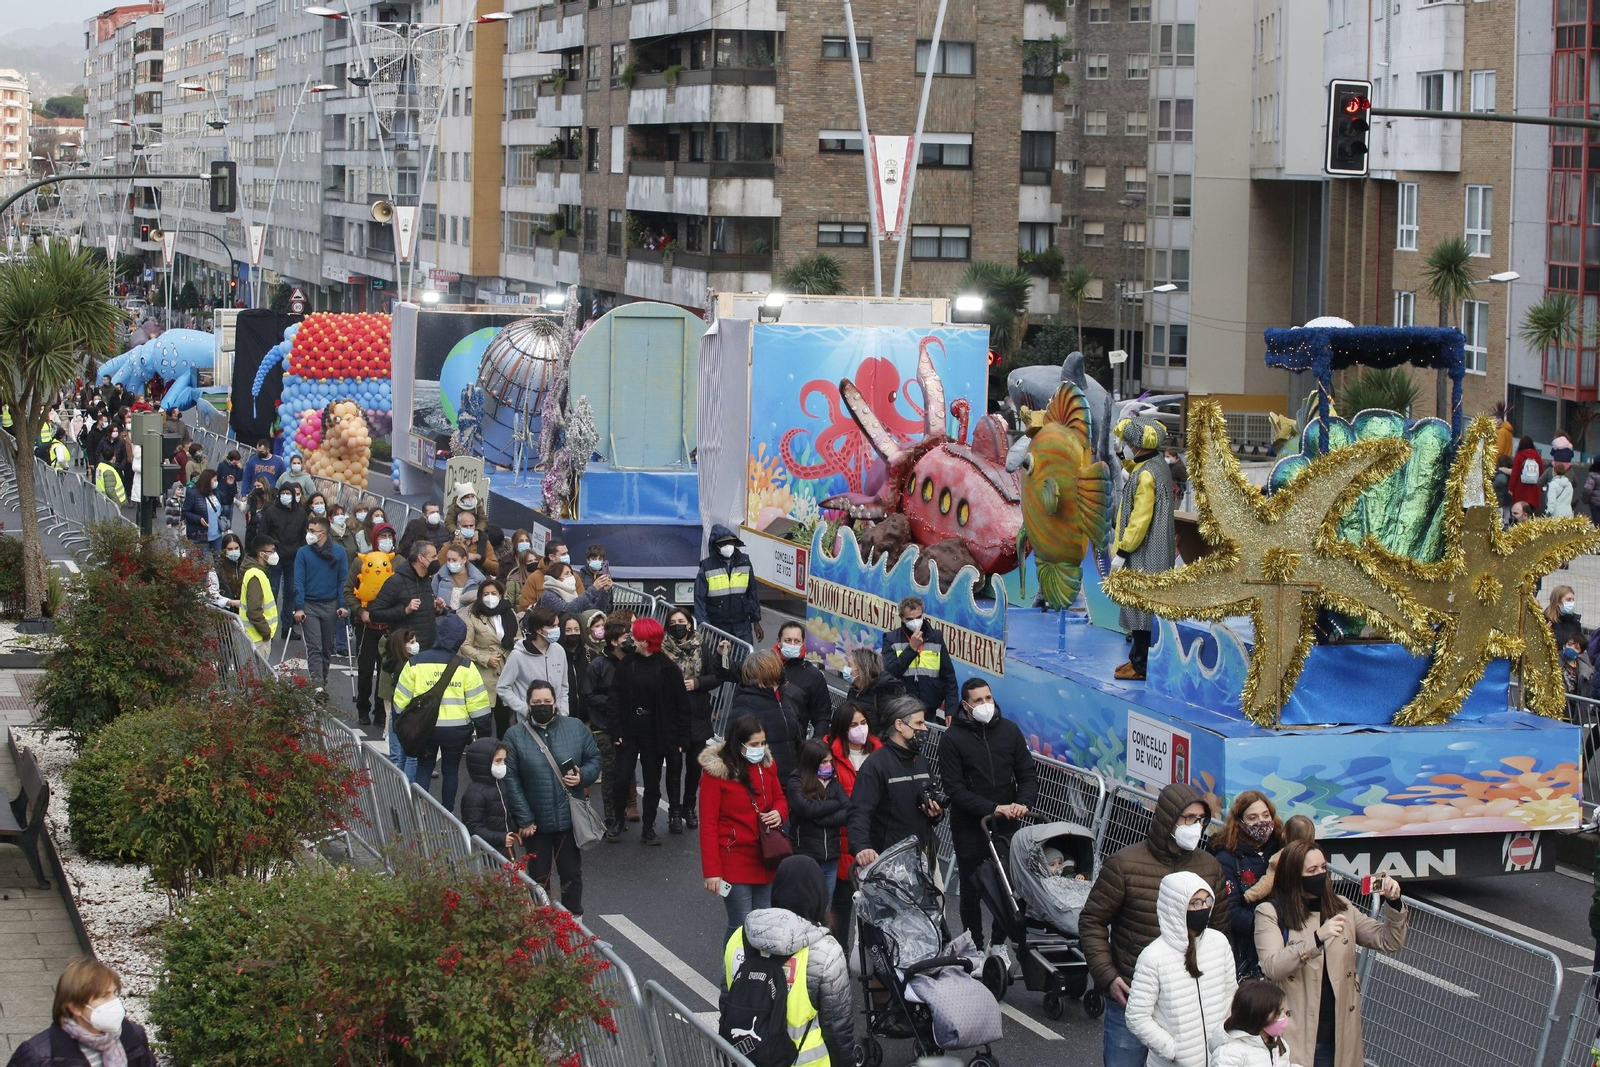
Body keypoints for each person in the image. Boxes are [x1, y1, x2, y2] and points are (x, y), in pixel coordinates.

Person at [1080, 782, 1229, 1067]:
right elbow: (1092, 921)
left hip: (1186, 1003)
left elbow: (1220, 931)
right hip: (1133, 996)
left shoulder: (1210, 868)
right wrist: (1107, 976)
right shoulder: (1124, 865)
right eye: (1189, 819)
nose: (1196, 827)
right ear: (1168, 819)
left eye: (1201, 820)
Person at [1255, 839, 1408, 1067]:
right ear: (1293, 875)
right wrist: (1316, 939)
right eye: (1312, 870)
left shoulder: (1342, 907)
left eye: (1324, 868)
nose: (1321, 875)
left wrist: (1394, 903)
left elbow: (1389, 940)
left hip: (1340, 1034)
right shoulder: (1270, 912)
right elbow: (1271, 966)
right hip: (1298, 1034)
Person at [723, 854, 854, 1067]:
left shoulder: (739, 937)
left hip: (746, 1059)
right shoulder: (825, 951)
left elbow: (727, 1003)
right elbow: (838, 1030)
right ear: (818, 897)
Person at [942, 677, 1038, 962]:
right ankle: (973, 945)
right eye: (978, 701)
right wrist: (994, 807)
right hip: (971, 828)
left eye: (988, 698)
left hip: (1007, 826)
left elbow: (1027, 775)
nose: (985, 704)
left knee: (1010, 886)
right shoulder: (952, 739)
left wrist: (1022, 803)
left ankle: (998, 943)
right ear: (965, 705)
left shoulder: (1009, 731)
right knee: (972, 889)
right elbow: (955, 790)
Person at [501, 678, 603, 916]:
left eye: (547, 701)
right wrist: (525, 819)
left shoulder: (576, 727)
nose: (543, 706)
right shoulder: (514, 736)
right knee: (538, 877)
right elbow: (511, 780)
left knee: (571, 873)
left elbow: (594, 759)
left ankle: (574, 922)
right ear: (528, 704)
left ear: (556, 703)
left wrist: (582, 777)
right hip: (536, 824)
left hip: (569, 819)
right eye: (537, 702)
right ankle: (542, 923)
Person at [1125, 872, 1238, 1067]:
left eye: (1207, 901)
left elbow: (1231, 992)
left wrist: (1225, 1036)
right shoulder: (1153, 957)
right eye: (1195, 903)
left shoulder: (1219, 942)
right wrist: (1173, 1050)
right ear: (1176, 907)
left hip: (1218, 1059)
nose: (1203, 908)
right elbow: (1137, 1017)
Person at [700, 713, 790, 943]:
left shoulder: (767, 766)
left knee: (763, 924)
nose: (760, 749)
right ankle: (730, 978)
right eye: (753, 745)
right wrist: (712, 871)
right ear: (738, 745)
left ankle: (754, 976)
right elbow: (708, 825)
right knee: (740, 926)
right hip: (734, 859)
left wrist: (778, 813)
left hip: (766, 856)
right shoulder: (715, 775)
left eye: (762, 743)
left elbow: (780, 798)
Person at [395, 613, 492, 808]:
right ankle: (447, 813)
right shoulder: (466, 666)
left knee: (424, 768)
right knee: (450, 771)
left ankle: (419, 812)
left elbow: (400, 703)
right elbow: (479, 707)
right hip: (456, 731)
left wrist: (401, 728)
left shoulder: (416, 662)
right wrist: (484, 736)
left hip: (424, 729)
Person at [612, 617, 692, 841]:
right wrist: (616, 729)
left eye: (634, 636)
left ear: (646, 641)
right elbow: (615, 697)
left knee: (652, 783)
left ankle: (649, 827)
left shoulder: (668, 669)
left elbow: (682, 707)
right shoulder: (627, 664)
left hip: (656, 732)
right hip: (629, 729)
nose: (631, 639)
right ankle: (617, 819)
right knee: (621, 777)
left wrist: (681, 739)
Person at [1113, 416, 1178, 681]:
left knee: (1141, 607)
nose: (1126, 445)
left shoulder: (1146, 474)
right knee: (1148, 606)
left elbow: (1140, 518)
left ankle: (1140, 665)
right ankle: (1139, 660)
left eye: (1128, 442)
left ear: (1138, 443)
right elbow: (1138, 467)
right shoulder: (1156, 464)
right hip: (1156, 549)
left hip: (1145, 551)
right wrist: (1122, 458)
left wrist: (1123, 551)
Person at [845, 695, 944, 868]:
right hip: (890, 863)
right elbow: (859, 811)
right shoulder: (876, 765)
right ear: (899, 725)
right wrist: (862, 847)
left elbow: (929, 801)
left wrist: (936, 813)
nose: (925, 729)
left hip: (924, 858)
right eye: (919, 724)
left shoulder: (920, 760)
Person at [6, 957, 155, 1067]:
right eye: (104, 996)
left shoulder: (133, 1036)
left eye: (114, 993)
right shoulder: (38, 1056)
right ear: (75, 1007)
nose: (114, 1002)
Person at [663, 606, 730, 827]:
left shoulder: (701, 647)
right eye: (672, 623)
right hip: (671, 715)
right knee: (673, 765)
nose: (677, 625)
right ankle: (673, 811)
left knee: (694, 765)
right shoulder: (662, 650)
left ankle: (688, 806)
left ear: (689, 624)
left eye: (681, 621)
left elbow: (716, 677)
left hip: (698, 715)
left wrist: (697, 683)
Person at [1211, 790, 1284, 978]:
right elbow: (1230, 910)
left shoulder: (1282, 849)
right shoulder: (1226, 858)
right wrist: (1266, 927)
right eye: (1253, 817)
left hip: (1285, 944)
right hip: (1247, 953)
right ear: (1240, 822)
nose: (1261, 822)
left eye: (1266, 815)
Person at [826, 697, 881, 904]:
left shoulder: (879, 753)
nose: (861, 729)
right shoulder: (829, 757)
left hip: (874, 843)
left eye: (863, 723)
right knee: (841, 908)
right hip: (842, 845)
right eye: (854, 725)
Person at [786, 738, 850, 908]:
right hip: (806, 856)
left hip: (831, 857)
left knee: (825, 907)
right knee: (804, 907)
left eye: (830, 761)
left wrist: (823, 819)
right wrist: (835, 804)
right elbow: (807, 809)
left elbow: (848, 810)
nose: (828, 766)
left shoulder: (833, 782)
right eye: (823, 762)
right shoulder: (796, 782)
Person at [346, 521, 397, 725]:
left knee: (385, 672)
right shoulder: (361, 562)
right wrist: (360, 610)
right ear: (374, 539)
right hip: (366, 626)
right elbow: (348, 590)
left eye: (389, 537)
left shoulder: (398, 562)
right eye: (382, 537)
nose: (386, 541)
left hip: (389, 627)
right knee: (366, 671)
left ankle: (381, 711)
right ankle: (363, 708)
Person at [727, 649, 805, 780]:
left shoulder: (784, 698)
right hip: (764, 781)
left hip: (792, 780)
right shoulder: (745, 704)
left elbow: (795, 736)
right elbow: (733, 747)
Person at [586, 618, 631, 839]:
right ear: (614, 642)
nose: (630, 641)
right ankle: (612, 818)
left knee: (627, 773)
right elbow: (589, 695)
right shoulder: (597, 665)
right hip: (604, 726)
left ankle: (624, 811)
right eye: (626, 637)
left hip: (630, 725)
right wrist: (614, 702)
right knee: (611, 774)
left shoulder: (633, 661)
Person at [293, 517, 350, 693]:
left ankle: (322, 679)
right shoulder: (303, 553)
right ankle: (317, 685)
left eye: (312, 530)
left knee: (326, 647)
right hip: (310, 605)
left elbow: (343, 580)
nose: (308, 534)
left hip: (330, 604)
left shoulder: (339, 552)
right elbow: (299, 581)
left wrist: (343, 604)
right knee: (314, 646)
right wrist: (300, 606)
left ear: (323, 533)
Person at [880, 595, 960, 720]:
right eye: (910, 619)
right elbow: (890, 673)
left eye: (919, 617)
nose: (916, 622)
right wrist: (911, 649)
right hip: (902, 708)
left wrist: (951, 710)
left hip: (929, 708)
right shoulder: (891, 639)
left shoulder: (936, 637)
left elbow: (949, 677)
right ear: (902, 618)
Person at [369, 539, 442, 671]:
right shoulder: (396, 581)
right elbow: (375, 613)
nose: (437, 560)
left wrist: (436, 608)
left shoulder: (426, 579)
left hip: (427, 649)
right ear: (421, 558)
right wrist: (404, 610)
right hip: (405, 652)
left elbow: (422, 612)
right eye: (433, 556)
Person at [461, 577, 519, 737]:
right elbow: (465, 646)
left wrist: (515, 643)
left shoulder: (509, 613)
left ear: (501, 595)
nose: (490, 597)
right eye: (486, 594)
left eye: (494, 593)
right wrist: (485, 658)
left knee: (504, 721)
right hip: (484, 674)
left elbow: (518, 636)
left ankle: (503, 754)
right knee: (484, 722)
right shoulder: (473, 617)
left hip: (507, 670)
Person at [694, 524, 764, 644]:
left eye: (730, 542)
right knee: (718, 660)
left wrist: (756, 621)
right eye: (723, 543)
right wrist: (705, 627)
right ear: (716, 546)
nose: (727, 546)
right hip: (717, 626)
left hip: (742, 625)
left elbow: (752, 593)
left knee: (744, 658)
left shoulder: (745, 562)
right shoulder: (707, 566)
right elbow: (699, 599)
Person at [498, 605, 571, 720]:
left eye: (557, 625)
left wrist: (563, 712)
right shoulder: (518, 656)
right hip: (528, 721)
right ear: (538, 630)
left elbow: (564, 685)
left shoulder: (559, 650)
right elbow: (503, 687)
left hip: (557, 719)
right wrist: (525, 709)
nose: (557, 629)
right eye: (552, 626)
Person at [1212, 979, 1298, 1067]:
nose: (1284, 1017)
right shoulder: (1230, 1053)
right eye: (1279, 1013)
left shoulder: (1279, 1044)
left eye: (1284, 1011)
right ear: (1259, 1015)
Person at [1241, 814, 1315, 909]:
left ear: (1285, 835)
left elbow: (1267, 883)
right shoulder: (1315, 856)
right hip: (1308, 904)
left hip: (1288, 905)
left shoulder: (1281, 857)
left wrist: (1249, 895)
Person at [257, 480, 309, 611]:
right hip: (275, 557)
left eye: (288, 493)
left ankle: (287, 626)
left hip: (293, 558)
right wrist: (270, 551)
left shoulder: (301, 514)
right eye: (283, 493)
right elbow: (262, 533)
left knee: (291, 593)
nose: (285, 496)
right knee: (272, 591)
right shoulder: (271, 512)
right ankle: (269, 620)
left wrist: (299, 550)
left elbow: (303, 536)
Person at [776, 620, 832, 738]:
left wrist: (816, 747)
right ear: (778, 642)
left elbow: (822, 717)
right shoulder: (765, 665)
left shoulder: (813, 676)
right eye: (787, 640)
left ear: (802, 644)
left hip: (793, 743)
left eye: (796, 641)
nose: (792, 644)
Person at [460, 738, 516, 856]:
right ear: (484, 763)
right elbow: (474, 829)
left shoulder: (499, 783)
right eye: (498, 761)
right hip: (487, 855)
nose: (503, 765)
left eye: (504, 760)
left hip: (502, 849)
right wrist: (501, 838)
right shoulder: (474, 794)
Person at [838, 647, 905, 736]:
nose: (846, 669)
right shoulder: (854, 690)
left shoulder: (884, 692)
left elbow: (890, 728)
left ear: (861, 668)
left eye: (849, 665)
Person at [381, 628, 420, 777]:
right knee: (411, 756)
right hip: (407, 712)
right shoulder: (406, 666)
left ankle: (398, 784)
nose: (416, 645)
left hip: (397, 711)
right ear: (401, 645)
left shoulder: (392, 663)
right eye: (411, 642)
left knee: (397, 755)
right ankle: (408, 789)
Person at [240, 537, 279, 658]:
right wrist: (266, 633)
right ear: (261, 554)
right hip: (257, 638)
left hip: (255, 636)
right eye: (271, 551)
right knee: (259, 674)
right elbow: (254, 611)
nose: (274, 554)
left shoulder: (256, 572)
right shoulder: (255, 575)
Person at [518, 538, 582, 610]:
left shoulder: (573, 576)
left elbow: (582, 601)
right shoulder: (534, 578)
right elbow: (525, 607)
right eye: (563, 554)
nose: (567, 556)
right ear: (552, 557)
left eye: (567, 553)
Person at [537, 559, 612, 615]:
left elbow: (594, 611)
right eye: (567, 573)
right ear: (556, 578)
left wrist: (605, 592)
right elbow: (568, 610)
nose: (571, 576)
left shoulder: (573, 594)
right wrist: (593, 589)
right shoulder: (548, 595)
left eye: (571, 573)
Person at [432, 542, 485, 613]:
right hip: (445, 619)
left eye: (454, 560)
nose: (450, 563)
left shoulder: (478, 580)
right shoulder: (439, 577)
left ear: (464, 559)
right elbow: (432, 600)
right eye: (448, 560)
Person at [181, 468, 225, 552]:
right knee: (203, 562)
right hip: (200, 535)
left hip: (217, 534)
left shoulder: (215, 492)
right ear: (207, 480)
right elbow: (185, 511)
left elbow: (227, 500)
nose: (216, 482)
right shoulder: (193, 493)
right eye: (214, 480)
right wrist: (198, 518)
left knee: (219, 561)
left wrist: (230, 485)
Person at [450, 507, 499, 578]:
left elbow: (496, 570)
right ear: (458, 526)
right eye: (465, 526)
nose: (469, 528)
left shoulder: (484, 542)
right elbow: (440, 567)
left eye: (471, 525)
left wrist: (479, 558)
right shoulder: (450, 543)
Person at [207, 531, 247, 611]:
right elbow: (212, 595)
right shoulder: (215, 570)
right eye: (230, 549)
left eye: (236, 548)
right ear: (224, 550)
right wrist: (230, 602)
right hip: (227, 612)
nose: (234, 551)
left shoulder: (246, 566)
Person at [1511, 435, 1545, 514]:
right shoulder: (1537, 456)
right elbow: (1542, 471)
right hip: (1534, 487)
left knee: (1520, 510)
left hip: (1520, 487)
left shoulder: (1519, 456)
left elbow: (1514, 474)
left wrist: (1511, 488)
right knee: (1531, 511)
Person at [1546, 584, 1583, 650]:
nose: (1572, 603)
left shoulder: (1575, 622)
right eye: (1568, 600)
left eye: (1573, 600)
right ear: (1558, 602)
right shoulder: (1546, 620)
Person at [94, 441, 127, 505]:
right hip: (111, 503)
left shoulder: (100, 466)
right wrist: (117, 503)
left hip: (102, 499)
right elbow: (110, 490)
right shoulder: (108, 470)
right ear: (113, 457)